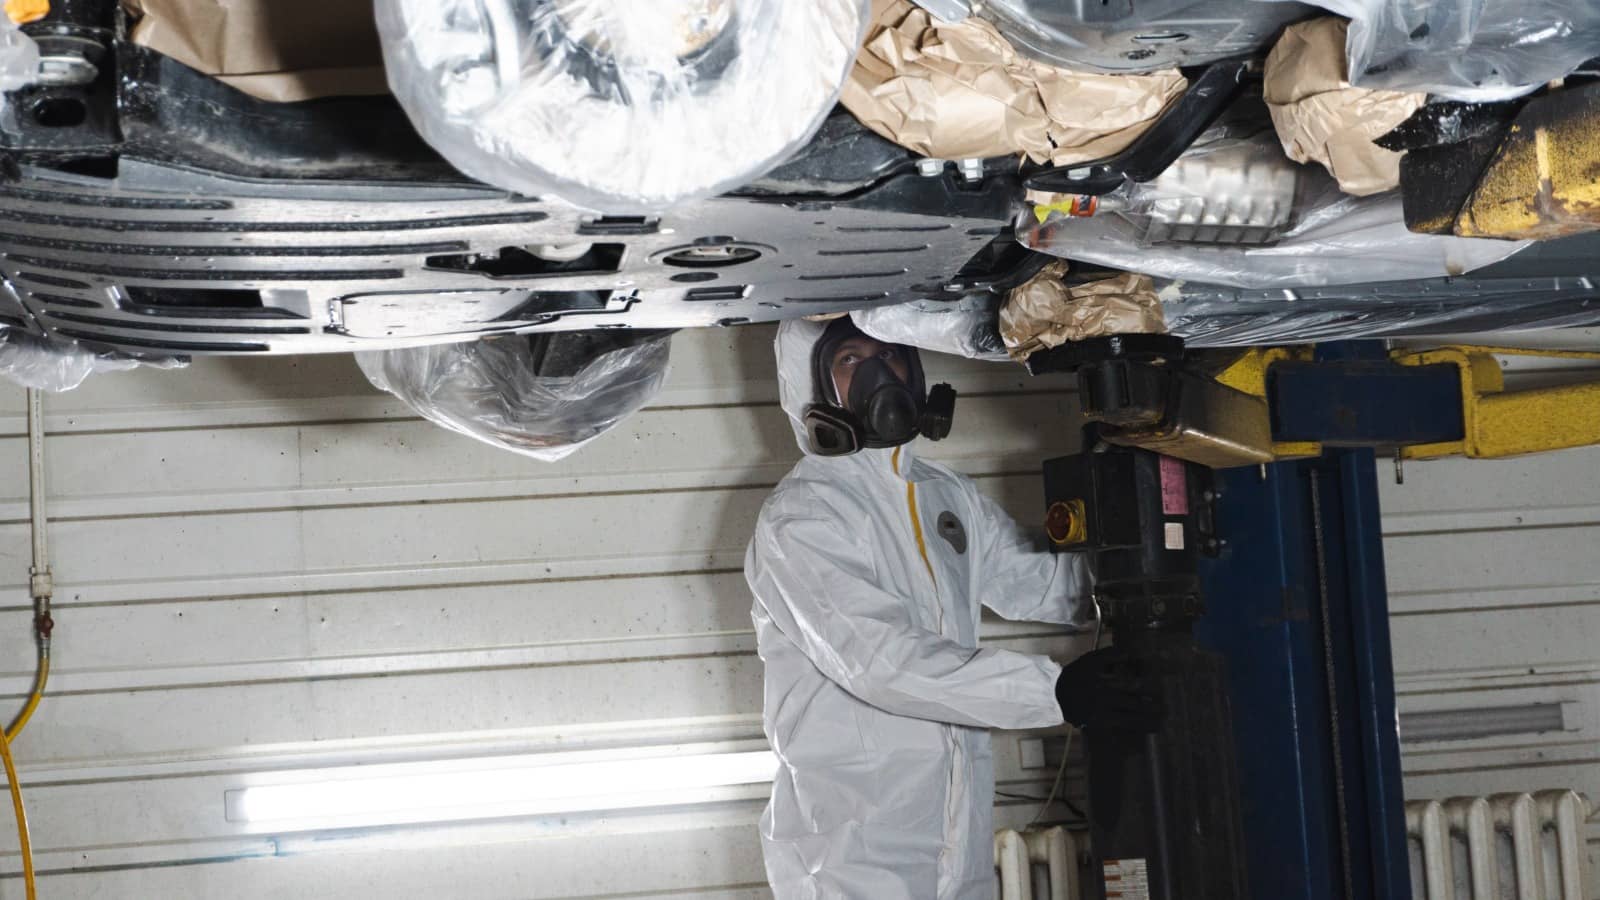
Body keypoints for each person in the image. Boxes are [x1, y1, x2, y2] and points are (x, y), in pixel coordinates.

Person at [745, 317, 1146, 900]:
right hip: (853, 855)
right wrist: (1052, 691)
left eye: (891, 354)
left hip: (959, 840)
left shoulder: (946, 495)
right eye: (851, 359)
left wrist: (1143, 553)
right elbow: (880, 659)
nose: (880, 373)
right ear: (811, 385)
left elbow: (1042, 585)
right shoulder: (801, 517)